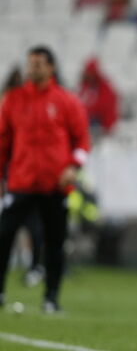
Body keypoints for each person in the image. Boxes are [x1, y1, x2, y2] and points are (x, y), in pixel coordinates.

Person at [0, 47, 91, 312]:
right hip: (22, 181)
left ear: (51, 67)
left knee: (55, 241)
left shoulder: (66, 101)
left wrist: (74, 166)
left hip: (55, 184)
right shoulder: (14, 101)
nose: (33, 69)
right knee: (4, 236)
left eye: (38, 64)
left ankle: (51, 297)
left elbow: (83, 140)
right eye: (30, 64)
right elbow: (3, 142)